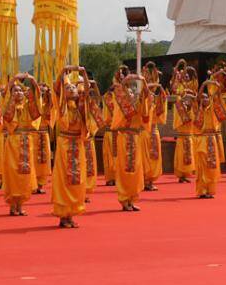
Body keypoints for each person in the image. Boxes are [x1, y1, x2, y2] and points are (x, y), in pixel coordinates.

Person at [51, 66, 102, 228]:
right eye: (68, 88)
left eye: (73, 87)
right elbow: (57, 87)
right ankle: (63, 215)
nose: (72, 89)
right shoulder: (61, 106)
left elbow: (87, 91)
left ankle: (71, 214)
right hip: (65, 145)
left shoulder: (81, 106)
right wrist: (64, 71)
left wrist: (84, 73)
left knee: (77, 180)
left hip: (77, 145)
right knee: (64, 180)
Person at [0, 73, 41, 216]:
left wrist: (33, 81)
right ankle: (12, 204)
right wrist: (12, 80)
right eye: (15, 90)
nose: (18, 93)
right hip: (13, 142)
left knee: (25, 174)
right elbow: (7, 116)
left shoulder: (28, 105)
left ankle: (20, 204)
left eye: (20, 90)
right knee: (13, 173)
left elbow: (37, 110)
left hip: (26, 142)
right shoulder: (8, 105)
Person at [110, 73, 149, 211]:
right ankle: (124, 199)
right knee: (125, 169)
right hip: (124, 138)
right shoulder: (123, 105)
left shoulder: (138, 105)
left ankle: (132, 198)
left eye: (133, 92)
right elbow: (120, 92)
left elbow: (147, 98)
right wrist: (125, 81)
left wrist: (143, 81)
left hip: (135, 139)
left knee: (136, 169)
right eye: (129, 92)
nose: (131, 94)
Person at [142, 82, 167, 191]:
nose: (152, 96)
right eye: (150, 95)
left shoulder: (156, 107)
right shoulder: (143, 106)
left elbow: (164, 98)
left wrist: (160, 86)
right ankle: (144, 181)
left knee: (155, 158)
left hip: (154, 133)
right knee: (145, 158)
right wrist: (149, 86)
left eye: (153, 95)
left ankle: (150, 181)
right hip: (144, 134)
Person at [32, 83, 54, 195]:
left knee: (44, 161)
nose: (42, 93)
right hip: (34, 135)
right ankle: (32, 183)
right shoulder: (32, 104)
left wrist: (50, 96)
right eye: (40, 90)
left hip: (44, 134)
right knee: (33, 159)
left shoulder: (47, 105)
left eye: (44, 91)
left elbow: (50, 110)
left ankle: (40, 184)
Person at [172, 91, 197, 182]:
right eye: (185, 100)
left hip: (189, 137)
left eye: (188, 100)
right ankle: (181, 175)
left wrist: (192, 98)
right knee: (181, 157)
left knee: (189, 156)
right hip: (182, 137)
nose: (187, 102)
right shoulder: (179, 110)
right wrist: (183, 98)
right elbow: (180, 120)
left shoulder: (191, 111)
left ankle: (186, 175)